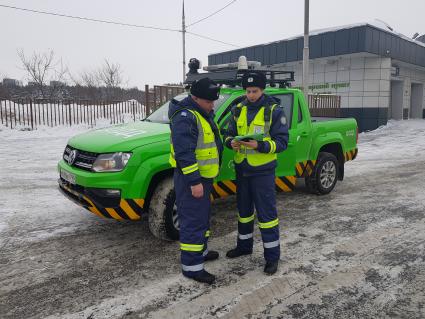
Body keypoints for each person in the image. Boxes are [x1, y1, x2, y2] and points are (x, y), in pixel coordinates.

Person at [224, 71, 289, 275]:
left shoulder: (274, 111)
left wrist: (259, 145)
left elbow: (282, 142)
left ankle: (272, 257)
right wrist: (231, 142)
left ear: (263, 90)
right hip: (242, 169)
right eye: (248, 90)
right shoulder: (238, 110)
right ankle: (244, 247)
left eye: (255, 91)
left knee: (267, 216)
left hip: (262, 172)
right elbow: (227, 134)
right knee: (244, 213)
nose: (251, 95)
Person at [168, 77, 223, 284]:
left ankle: (202, 251)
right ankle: (192, 267)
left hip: (203, 177)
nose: (212, 105)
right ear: (196, 98)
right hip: (192, 179)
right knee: (192, 220)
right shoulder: (186, 117)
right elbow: (184, 154)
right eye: (209, 102)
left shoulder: (202, 112)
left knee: (202, 217)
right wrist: (194, 181)